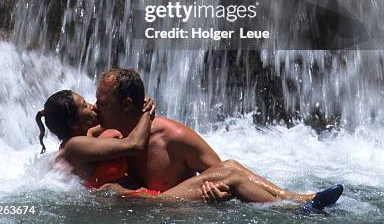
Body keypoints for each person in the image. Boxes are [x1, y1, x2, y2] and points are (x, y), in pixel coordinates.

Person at [94, 68, 343, 207]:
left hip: (171, 209)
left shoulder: (173, 136)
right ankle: (298, 202)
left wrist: (218, 193)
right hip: (153, 206)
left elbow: (217, 173)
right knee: (232, 169)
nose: (95, 108)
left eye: (102, 103)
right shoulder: (101, 133)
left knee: (231, 169)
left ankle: (297, 202)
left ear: (127, 105)